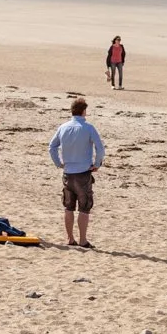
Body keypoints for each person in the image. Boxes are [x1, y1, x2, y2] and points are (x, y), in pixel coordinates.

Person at [48, 97, 105, 248]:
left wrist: (58, 163)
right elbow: (100, 148)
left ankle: (70, 238)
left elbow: (51, 147)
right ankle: (83, 239)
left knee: (69, 207)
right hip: (83, 172)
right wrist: (97, 164)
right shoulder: (88, 127)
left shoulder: (64, 127)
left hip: (68, 172)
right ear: (84, 111)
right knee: (84, 207)